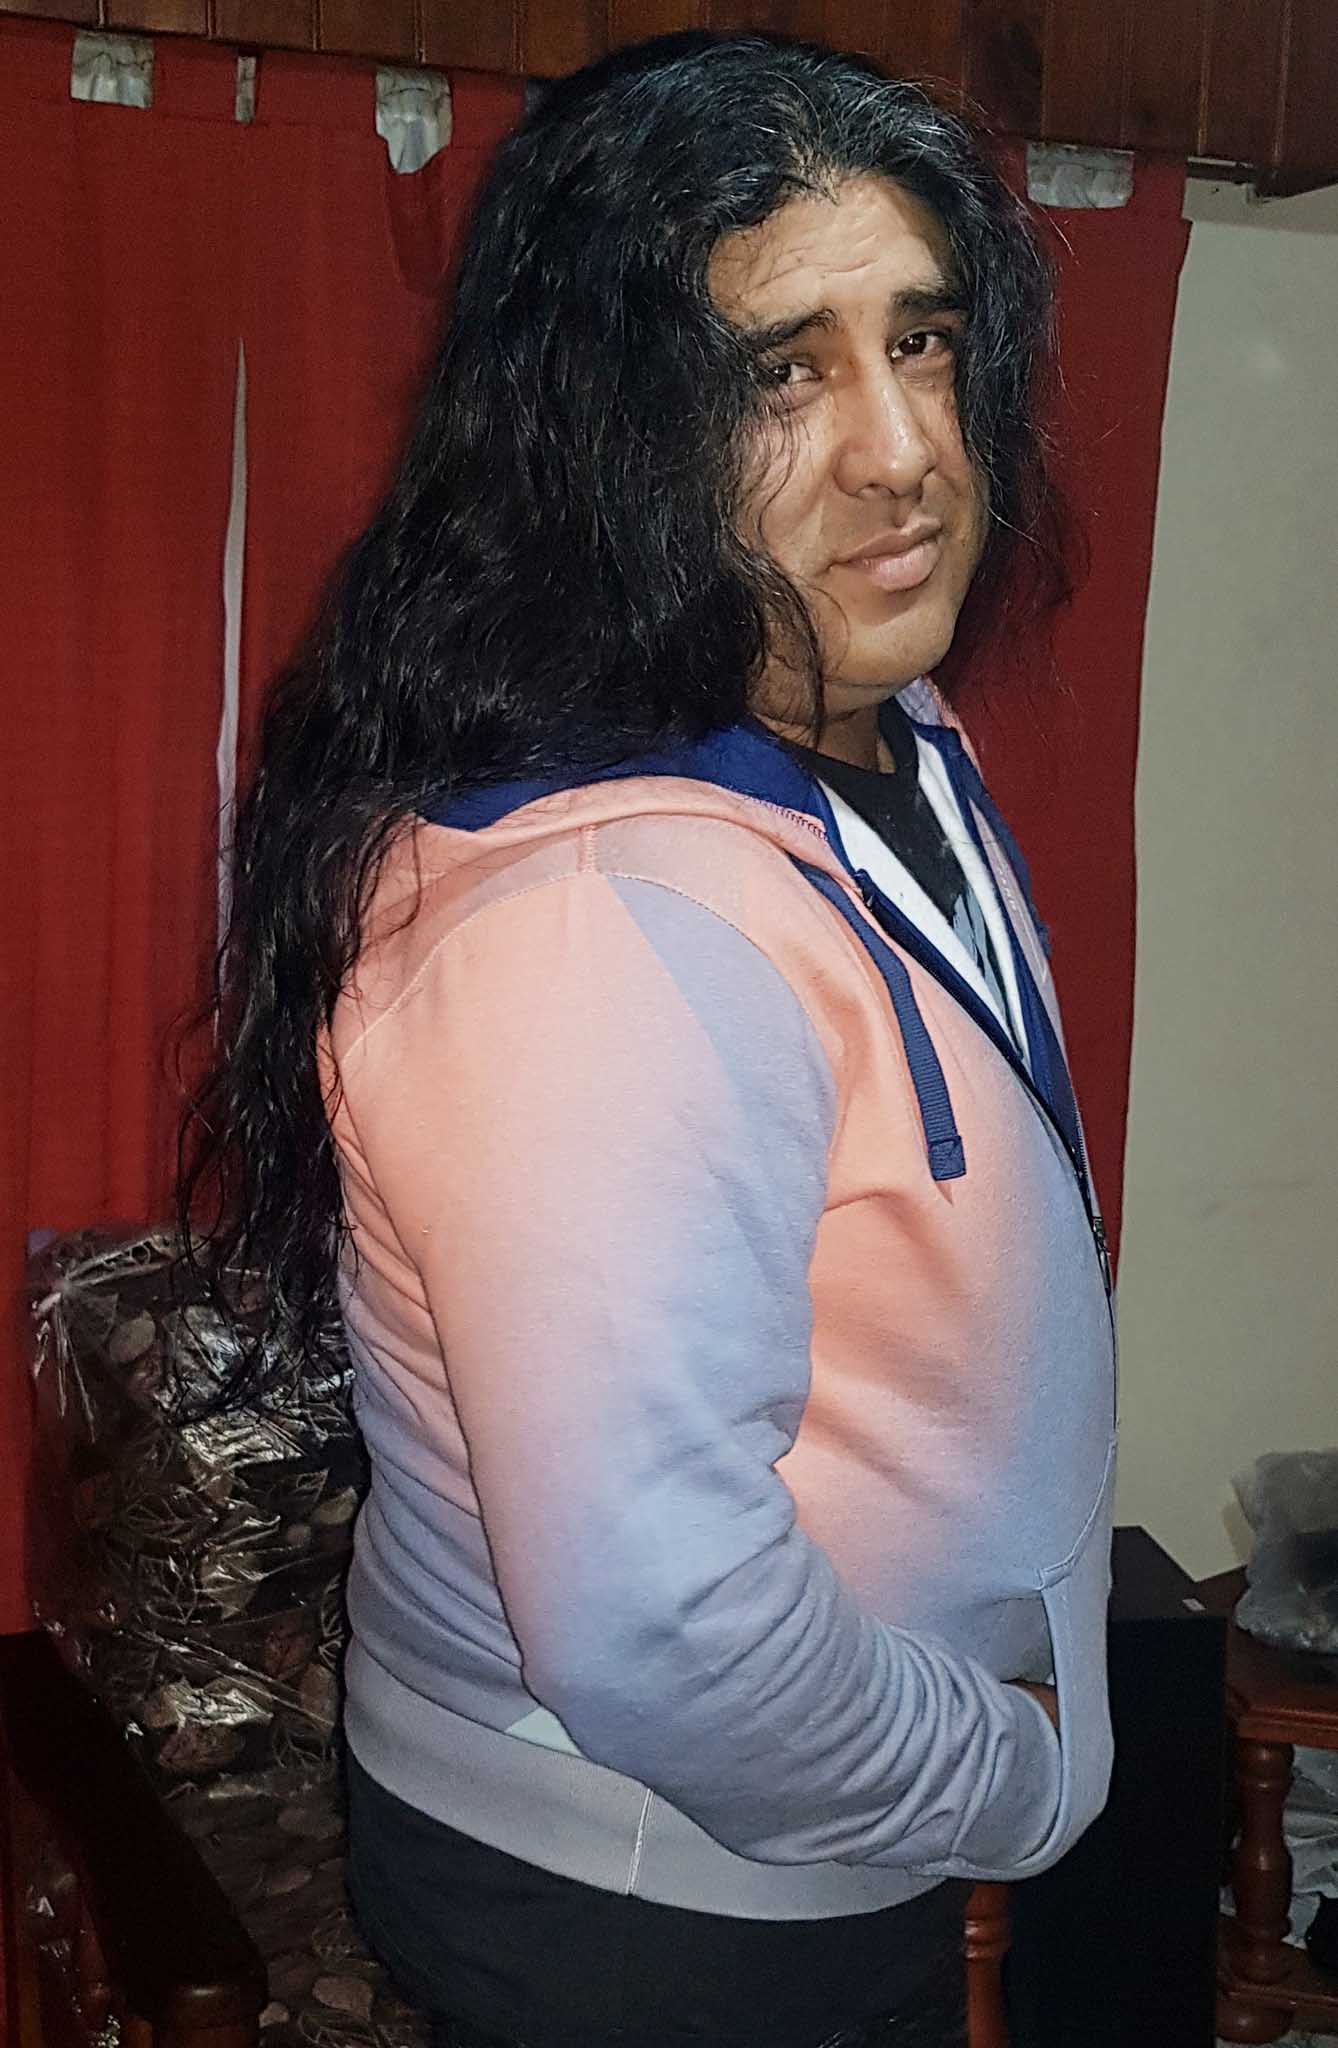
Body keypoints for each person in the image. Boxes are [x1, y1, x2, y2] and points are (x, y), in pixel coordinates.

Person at [182, 31, 1116, 2048]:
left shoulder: (871, 715)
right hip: (664, 1896)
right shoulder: (599, 927)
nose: (903, 451)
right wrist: (1010, 1778)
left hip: (810, 1824)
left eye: (923, 342)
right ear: (608, 429)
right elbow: (661, 1628)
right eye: (781, 373)